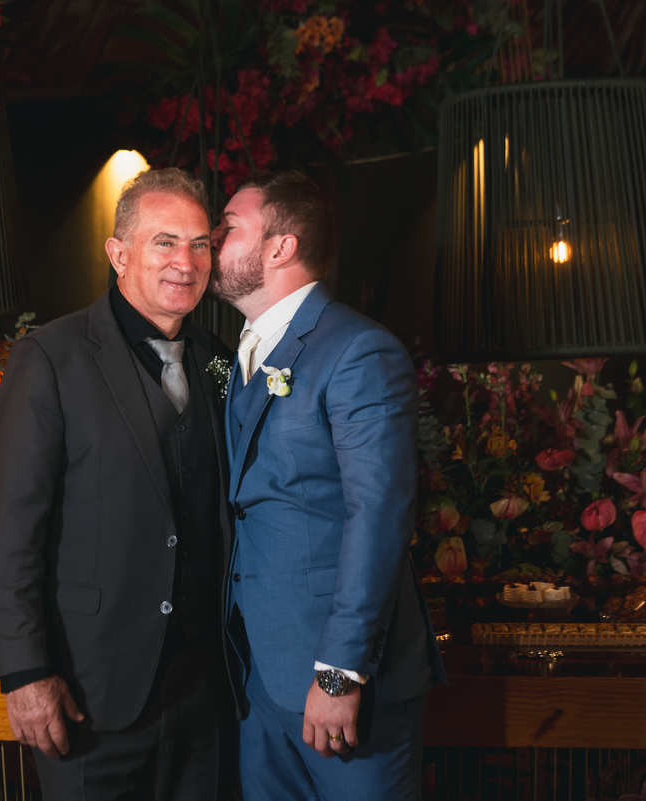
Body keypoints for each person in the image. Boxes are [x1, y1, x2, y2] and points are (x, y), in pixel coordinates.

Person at [0, 168, 234, 800]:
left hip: (204, 691)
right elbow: (12, 531)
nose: (185, 262)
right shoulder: (51, 357)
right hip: (89, 689)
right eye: (164, 242)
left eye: (199, 244)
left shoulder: (219, 359)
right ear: (118, 254)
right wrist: (24, 672)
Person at [210, 170, 445, 800]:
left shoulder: (358, 350)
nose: (212, 239)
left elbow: (379, 516)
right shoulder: (245, 351)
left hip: (341, 682)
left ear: (280, 247)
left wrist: (340, 672)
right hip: (259, 678)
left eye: (228, 227)